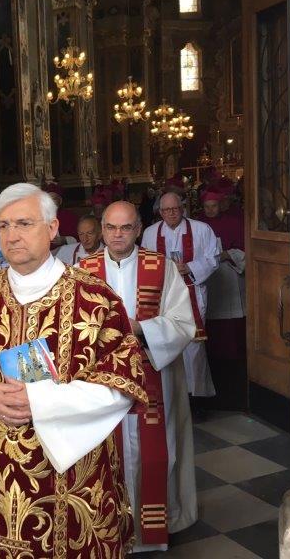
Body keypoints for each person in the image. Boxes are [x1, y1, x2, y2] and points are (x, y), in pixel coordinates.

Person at [0, 183, 147, 556]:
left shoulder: (95, 300)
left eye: (24, 223)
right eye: (4, 226)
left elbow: (121, 385)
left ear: (52, 229)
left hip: (75, 480)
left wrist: (39, 401)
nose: (12, 235)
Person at [81, 201, 197, 552]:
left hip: (153, 376)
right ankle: (109, 530)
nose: (118, 235)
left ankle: (153, 534)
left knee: (157, 453)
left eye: (126, 227)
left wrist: (141, 328)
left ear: (139, 229)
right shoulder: (81, 271)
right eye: (111, 227)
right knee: (105, 455)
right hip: (100, 382)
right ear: (102, 229)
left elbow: (183, 322)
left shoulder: (161, 268)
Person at [142, 192, 220, 398]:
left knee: (193, 344)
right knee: (167, 341)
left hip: (192, 290)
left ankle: (197, 395)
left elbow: (213, 258)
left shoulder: (201, 229)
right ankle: (172, 393)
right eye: (166, 210)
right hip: (163, 295)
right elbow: (145, 263)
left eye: (175, 209)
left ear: (183, 208)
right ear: (160, 212)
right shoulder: (150, 233)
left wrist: (189, 267)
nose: (171, 213)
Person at [200, 191, 247, 408]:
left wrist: (228, 254)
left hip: (230, 277)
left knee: (232, 336)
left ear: (221, 204)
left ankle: (236, 388)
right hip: (210, 281)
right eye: (207, 206)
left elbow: (245, 250)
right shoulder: (199, 226)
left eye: (214, 205)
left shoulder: (233, 222)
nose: (210, 210)